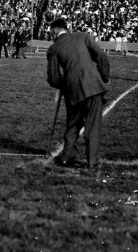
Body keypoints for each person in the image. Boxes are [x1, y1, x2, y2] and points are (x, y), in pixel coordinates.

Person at [46, 16, 110, 170]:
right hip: (94, 86)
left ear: (55, 30)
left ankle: (67, 157)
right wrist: (103, 77)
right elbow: (101, 56)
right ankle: (91, 161)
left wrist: (64, 84)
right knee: (92, 125)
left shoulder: (53, 49)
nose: (50, 35)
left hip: (73, 91)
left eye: (50, 32)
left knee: (73, 124)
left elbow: (53, 78)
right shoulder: (83, 36)